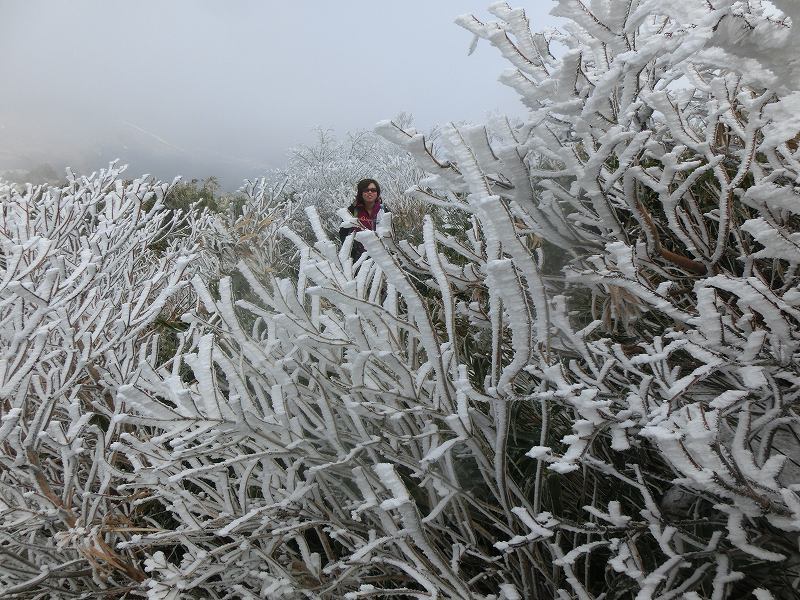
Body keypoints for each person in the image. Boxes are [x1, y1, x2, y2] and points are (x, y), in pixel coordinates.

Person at [338, 178, 389, 261]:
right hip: (358, 259)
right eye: (366, 190)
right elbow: (343, 234)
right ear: (360, 192)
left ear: (377, 193)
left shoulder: (384, 210)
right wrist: (352, 252)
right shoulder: (352, 211)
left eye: (373, 190)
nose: (370, 192)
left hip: (381, 256)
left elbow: (390, 232)